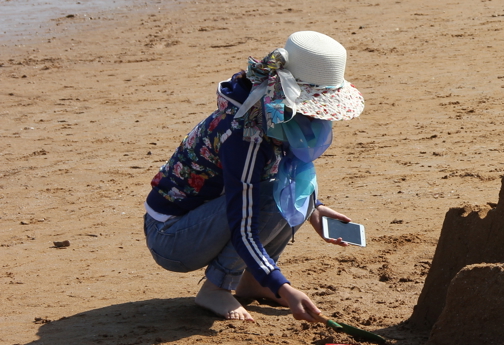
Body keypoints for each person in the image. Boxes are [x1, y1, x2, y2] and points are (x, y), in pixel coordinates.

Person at [143, 31, 365, 323]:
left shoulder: (271, 110)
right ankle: (216, 288)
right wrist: (282, 286)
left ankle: (252, 282)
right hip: (171, 236)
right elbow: (243, 222)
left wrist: (314, 208)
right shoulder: (248, 134)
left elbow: (281, 174)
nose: (321, 118)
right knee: (275, 197)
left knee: (290, 195)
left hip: (205, 218)